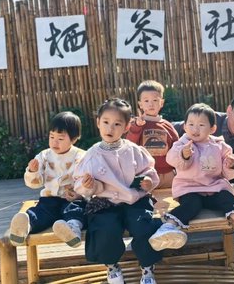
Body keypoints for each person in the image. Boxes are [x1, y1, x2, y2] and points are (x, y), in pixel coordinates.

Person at [149, 103, 234, 251]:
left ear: (212, 129)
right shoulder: (182, 144)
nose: (195, 129)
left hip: (214, 187)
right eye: (191, 124)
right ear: (185, 127)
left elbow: (228, 170)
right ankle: (168, 228)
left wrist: (231, 164)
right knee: (191, 205)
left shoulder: (219, 145)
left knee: (227, 197)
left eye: (201, 125)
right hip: (190, 188)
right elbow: (171, 159)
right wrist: (184, 155)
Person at [73, 98, 163, 284]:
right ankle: (112, 266)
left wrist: (148, 181)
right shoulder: (91, 155)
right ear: (98, 122)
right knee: (104, 228)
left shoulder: (133, 150)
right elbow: (79, 184)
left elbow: (149, 171)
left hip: (134, 199)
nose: (110, 128)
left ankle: (147, 268)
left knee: (143, 226)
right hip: (105, 202)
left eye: (117, 124)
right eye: (106, 122)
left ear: (126, 126)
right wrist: (88, 186)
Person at [9, 111, 86, 248]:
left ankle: (71, 230)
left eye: (60, 139)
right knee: (40, 212)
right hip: (50, 199)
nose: (54, 142)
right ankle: (25, 226)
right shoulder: (44, 156)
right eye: (51, 136)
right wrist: (32, 172)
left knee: (75, 210)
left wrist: (80, 194)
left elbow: (86, 179)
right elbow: (35, 184)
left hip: (72, 199)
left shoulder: (81, 156)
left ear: (74, 139)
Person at [173, 93, 234, 194]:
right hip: (188, 170)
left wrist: (231, 163)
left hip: (217, 174)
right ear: (229, 110)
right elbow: (174, 127)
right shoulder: (209, 118)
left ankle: (226, 198)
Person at [126, 80, 179, 188]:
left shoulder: (167, 126)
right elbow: (129, 144)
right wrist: (137, 127)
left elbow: (177, 147)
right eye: (146, 101)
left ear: (161, 103)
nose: (151, 104)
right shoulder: (136, 124)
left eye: (155, 100)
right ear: (140, 104)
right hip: (146, 175)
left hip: (168, 174)